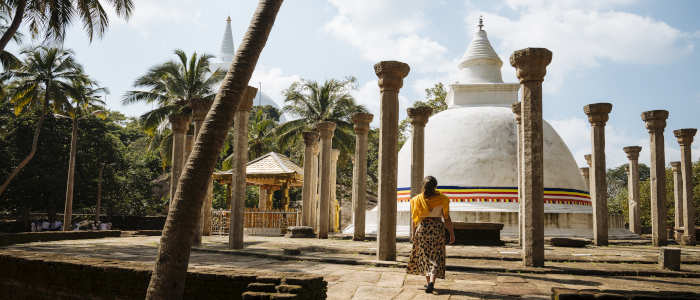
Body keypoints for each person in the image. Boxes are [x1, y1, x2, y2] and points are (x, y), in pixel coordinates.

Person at [407, 176, 455, 293]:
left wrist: (413, 234)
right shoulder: (443, 199)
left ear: (423, 186)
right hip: (437, 229)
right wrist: (452, 233)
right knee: (436, 256)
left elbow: (415, 220)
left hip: (423, 229)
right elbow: (447, 218)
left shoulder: (416, 200)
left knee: (425, 257)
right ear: (435, 186)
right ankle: (432, 282)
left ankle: (429, 283)